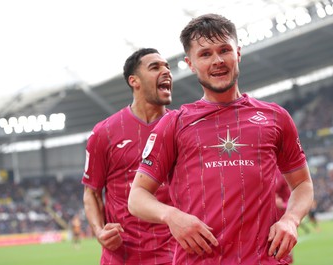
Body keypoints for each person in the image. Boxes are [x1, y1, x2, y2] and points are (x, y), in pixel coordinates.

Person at [128, 13, 314, 264]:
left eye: (224, 50)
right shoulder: (174, 124)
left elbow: (303, 183)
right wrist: (171, 216)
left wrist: (291, 219)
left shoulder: (275, 117)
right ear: (190, 63)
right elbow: (137, 196)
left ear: (238, 53)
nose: (217, 60)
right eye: (205, 54)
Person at [82, 48, 175, 265]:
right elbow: (91, 193)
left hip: (175, 254)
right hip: (123, 256)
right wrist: (99, 231)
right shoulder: (104, 132)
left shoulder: (182, 129)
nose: (166, 71)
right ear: (134, 81)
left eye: (167, 67)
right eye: (155, 67)